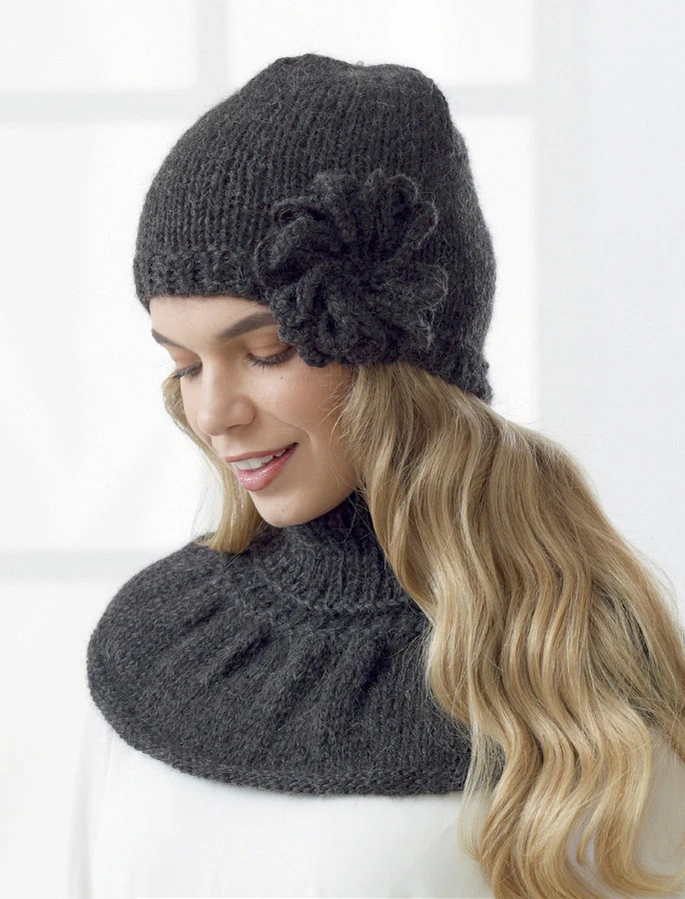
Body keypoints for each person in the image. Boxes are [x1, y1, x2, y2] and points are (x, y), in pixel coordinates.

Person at [66, 53, 685, 899]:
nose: (212, 413)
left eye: (265, 352)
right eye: (185, 364)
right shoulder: (150, 643)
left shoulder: (574, 687)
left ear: (403, 357)